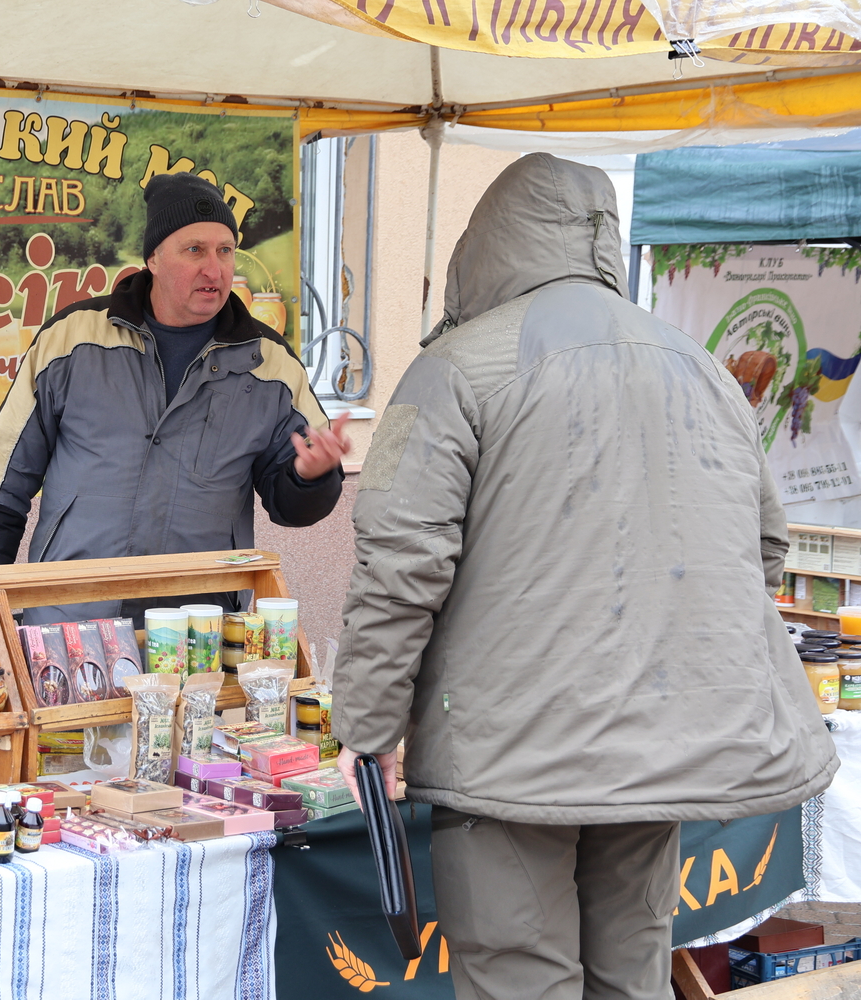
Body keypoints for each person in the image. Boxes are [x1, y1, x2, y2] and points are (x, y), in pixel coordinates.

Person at [333, 153, 837, 999]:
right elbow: (762, 552)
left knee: (519, 977)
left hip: (510, 755)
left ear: (485, 243)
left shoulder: (453, 368)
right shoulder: (703, 367)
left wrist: (367, 723)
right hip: (661, 746)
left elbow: (398, 566)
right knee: (632, 972)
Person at [0, 172, 349, 621]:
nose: (214, 268)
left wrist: (312, 475)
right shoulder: (71, 339)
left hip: (199, 633)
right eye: (194, 250)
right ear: (153, 259)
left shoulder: (272, 365)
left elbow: (292, 507)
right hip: (69, 625)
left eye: (225, 251)